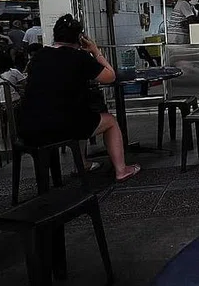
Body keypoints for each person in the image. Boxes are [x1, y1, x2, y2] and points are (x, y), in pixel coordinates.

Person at [19, 14, 140, 182]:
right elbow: (110, 76)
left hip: (28, 127)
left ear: (55, 34)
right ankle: (121, 170)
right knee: (109, 121)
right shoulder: (79, 57)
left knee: (82, 115)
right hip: (62, 126)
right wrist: (95, 51)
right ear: (80, 38)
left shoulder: (40, 55)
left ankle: (82, 163)